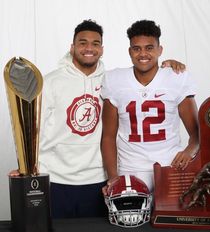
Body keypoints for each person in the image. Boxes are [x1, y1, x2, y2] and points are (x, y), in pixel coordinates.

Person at [9, 19, 187, 218]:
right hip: (55, 178)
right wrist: (25, 166)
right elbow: (34, 128)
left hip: (97, 179)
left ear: (102, 49)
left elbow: (141, 75)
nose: (89, 48)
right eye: (82, 43)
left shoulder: (110, 80)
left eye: (95, 44)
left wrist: (167, 67)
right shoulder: (50, 82)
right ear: (72, 47)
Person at [101, 20, 199, 194]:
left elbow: (196, 132)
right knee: (131, 220)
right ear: (130, 51)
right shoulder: (114, 80)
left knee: (170, 219)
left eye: (149, 47)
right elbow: (108, 135)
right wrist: (113, 177)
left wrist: (189, 151)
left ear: (160, 50)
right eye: (136, 48)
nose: (143, 54)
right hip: (130, 169)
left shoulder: (176, 78)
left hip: (170, 166)